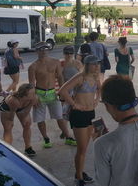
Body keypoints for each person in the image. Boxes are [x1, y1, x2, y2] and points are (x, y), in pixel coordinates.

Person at [59, 55, 101, 185]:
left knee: (86, 147)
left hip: (90, 114)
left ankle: (80, 172)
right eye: (94, 64)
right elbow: (63, 91)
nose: (96, 66)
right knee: (81, 149)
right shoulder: (79, 77)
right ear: (87, 65)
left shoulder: (95, 77)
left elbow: (100, 88)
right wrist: (74, 104)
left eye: (97, 64)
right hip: (79, 114)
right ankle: (79, 177)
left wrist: (97, 99)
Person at [28, 42, 76, 148]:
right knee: (40, 119)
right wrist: (34, 97)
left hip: (52, 93)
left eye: (46, 49)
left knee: (59, 116)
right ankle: (46, 139)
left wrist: (62, 91)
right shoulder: (33, 66)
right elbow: (31, 84)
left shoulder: (55, 62)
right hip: (39, 94)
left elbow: (59, 77)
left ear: (48, 50)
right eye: (41, 49)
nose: (44, 51)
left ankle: (68, 137)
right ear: (37, 51)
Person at [0, 83, 37, 157]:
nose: (34, 94)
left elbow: (26, 113)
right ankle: (7, 149)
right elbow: (11, 116)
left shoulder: (33, 98)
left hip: (23, 107)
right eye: (32, 93)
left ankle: (28, 148)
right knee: (8, 127)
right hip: (8, 108)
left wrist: (31, 104)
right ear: (24, 94)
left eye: (34, 92)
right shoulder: (13, 100)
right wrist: (11, 121)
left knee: (27, 124)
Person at [60, 46, 84, 123]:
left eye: (71, 53)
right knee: (64, 112)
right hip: (66, 90)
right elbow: (60, 79)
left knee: (77, 110)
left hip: (77, 91)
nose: (69, 55)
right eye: (67, 53)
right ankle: (65, 131)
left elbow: (82, 77)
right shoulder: (61, 64)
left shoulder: (78, 63)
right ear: (64, 54)